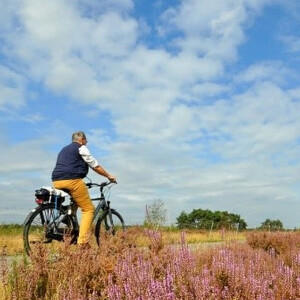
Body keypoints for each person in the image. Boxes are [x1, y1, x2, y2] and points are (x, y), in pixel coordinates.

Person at [51, 131, 116, 246]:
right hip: (72, 180)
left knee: (76, 200)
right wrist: (108, 176)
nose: (87, 142)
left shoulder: (64, 150)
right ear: (81, 139)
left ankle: (69, 218)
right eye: (86, 140)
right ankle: (83, 243)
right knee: (88, 209)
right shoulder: (81, 148)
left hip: (56, 181)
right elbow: (95, 165)